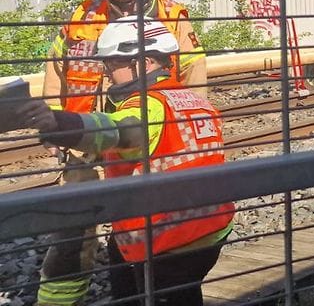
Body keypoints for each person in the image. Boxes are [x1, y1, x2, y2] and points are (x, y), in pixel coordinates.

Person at [9, 17, 233, 306]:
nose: (106, 71)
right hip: (209, 228)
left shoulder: (148, 105)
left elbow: (117, 131)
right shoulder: (191, 99)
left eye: (113, 63)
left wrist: (57, 123)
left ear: (145, 62)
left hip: (169, 241)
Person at [37, 0, 207, 306]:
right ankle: (61, 299)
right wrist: (54, 121)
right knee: (75, 225)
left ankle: (142, 286)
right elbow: (56, 69)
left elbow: (194, 70)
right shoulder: (84, 14)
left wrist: (190, 120)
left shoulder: (173, 16)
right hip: (84, 136)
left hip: (145, 136)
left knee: (143, 217)